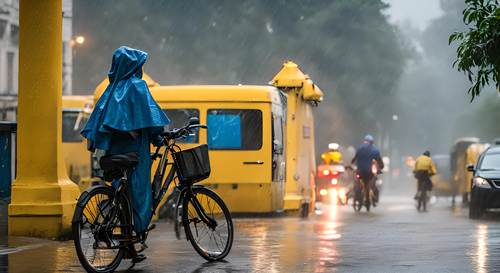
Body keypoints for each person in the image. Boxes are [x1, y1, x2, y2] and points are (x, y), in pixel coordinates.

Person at [81, 46, 170, 262]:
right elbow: (150, 121)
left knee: (122, 197)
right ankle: (137, 233)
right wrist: (159, 138)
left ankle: (128, 248)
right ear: (134, 67)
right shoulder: (137, 87)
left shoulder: (109, 91)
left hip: (113, 154)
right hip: (135, 153)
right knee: (139, 196)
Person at [350, 135, 384, 202]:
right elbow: (380, 162)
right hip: (370, 173)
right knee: (374, 183)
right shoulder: (375, 150)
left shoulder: (359, 148)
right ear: (372, 142)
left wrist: (352, 164)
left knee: (357, 181)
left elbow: (354, 159)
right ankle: (374, 198)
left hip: (360, 171)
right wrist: (381, 167)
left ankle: (357, 194)